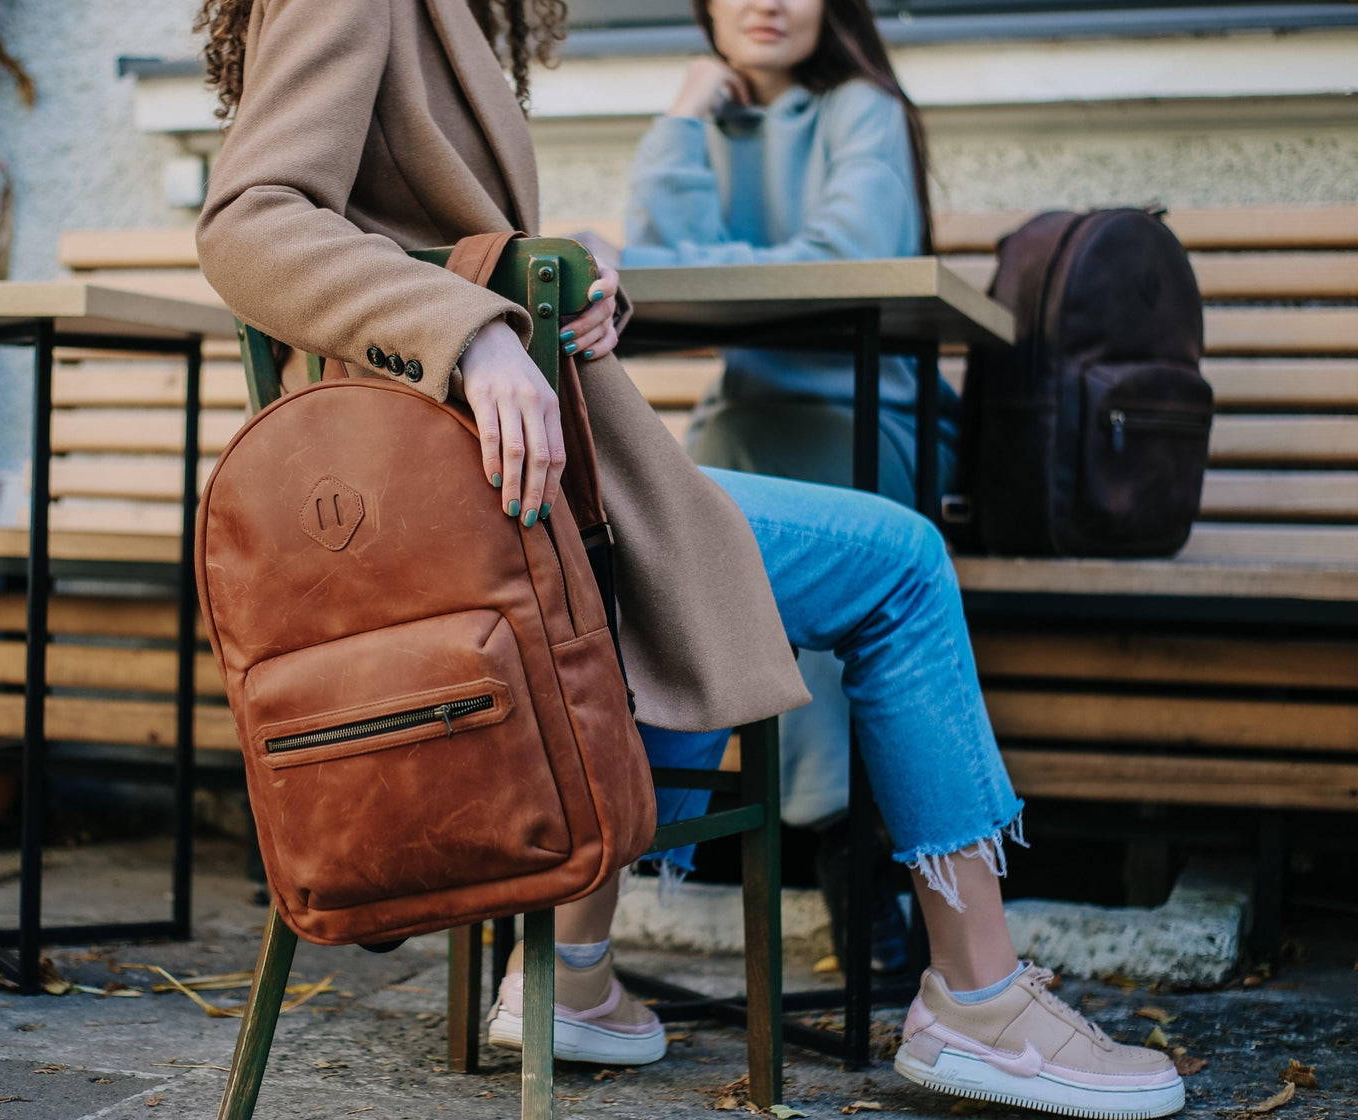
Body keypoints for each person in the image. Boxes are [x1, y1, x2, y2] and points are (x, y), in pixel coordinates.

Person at [192, 2, 1185, 1116]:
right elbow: (249, 220)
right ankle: (979, 996)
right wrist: (467, 333)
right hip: (474, 504)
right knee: (898, 563)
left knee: (687, 560)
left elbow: (406, 228)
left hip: (493, 494)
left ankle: (568, 972)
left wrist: (555, 286)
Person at [623, 0, 955, 974]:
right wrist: (683, 115)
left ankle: (842, 838)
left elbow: (839, 263)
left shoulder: (864, 111)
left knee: (775, 542)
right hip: (744, 413)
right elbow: (658, 261)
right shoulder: (708, 123)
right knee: (672, 518)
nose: (766, 2)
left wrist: (692, 262)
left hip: (866, 417)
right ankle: (830, 841)